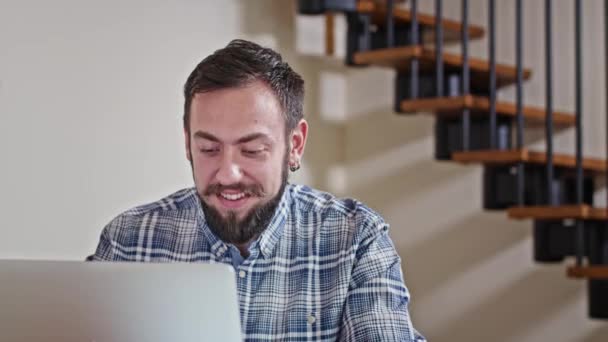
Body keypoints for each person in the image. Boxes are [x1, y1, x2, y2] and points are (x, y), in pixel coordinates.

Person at [89, 39, 425, 341]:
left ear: (295, 145)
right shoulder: (129, 241)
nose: (228, 173)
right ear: (188, 143)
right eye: (209, 149)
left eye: (251, 150)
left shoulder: (355, 240)